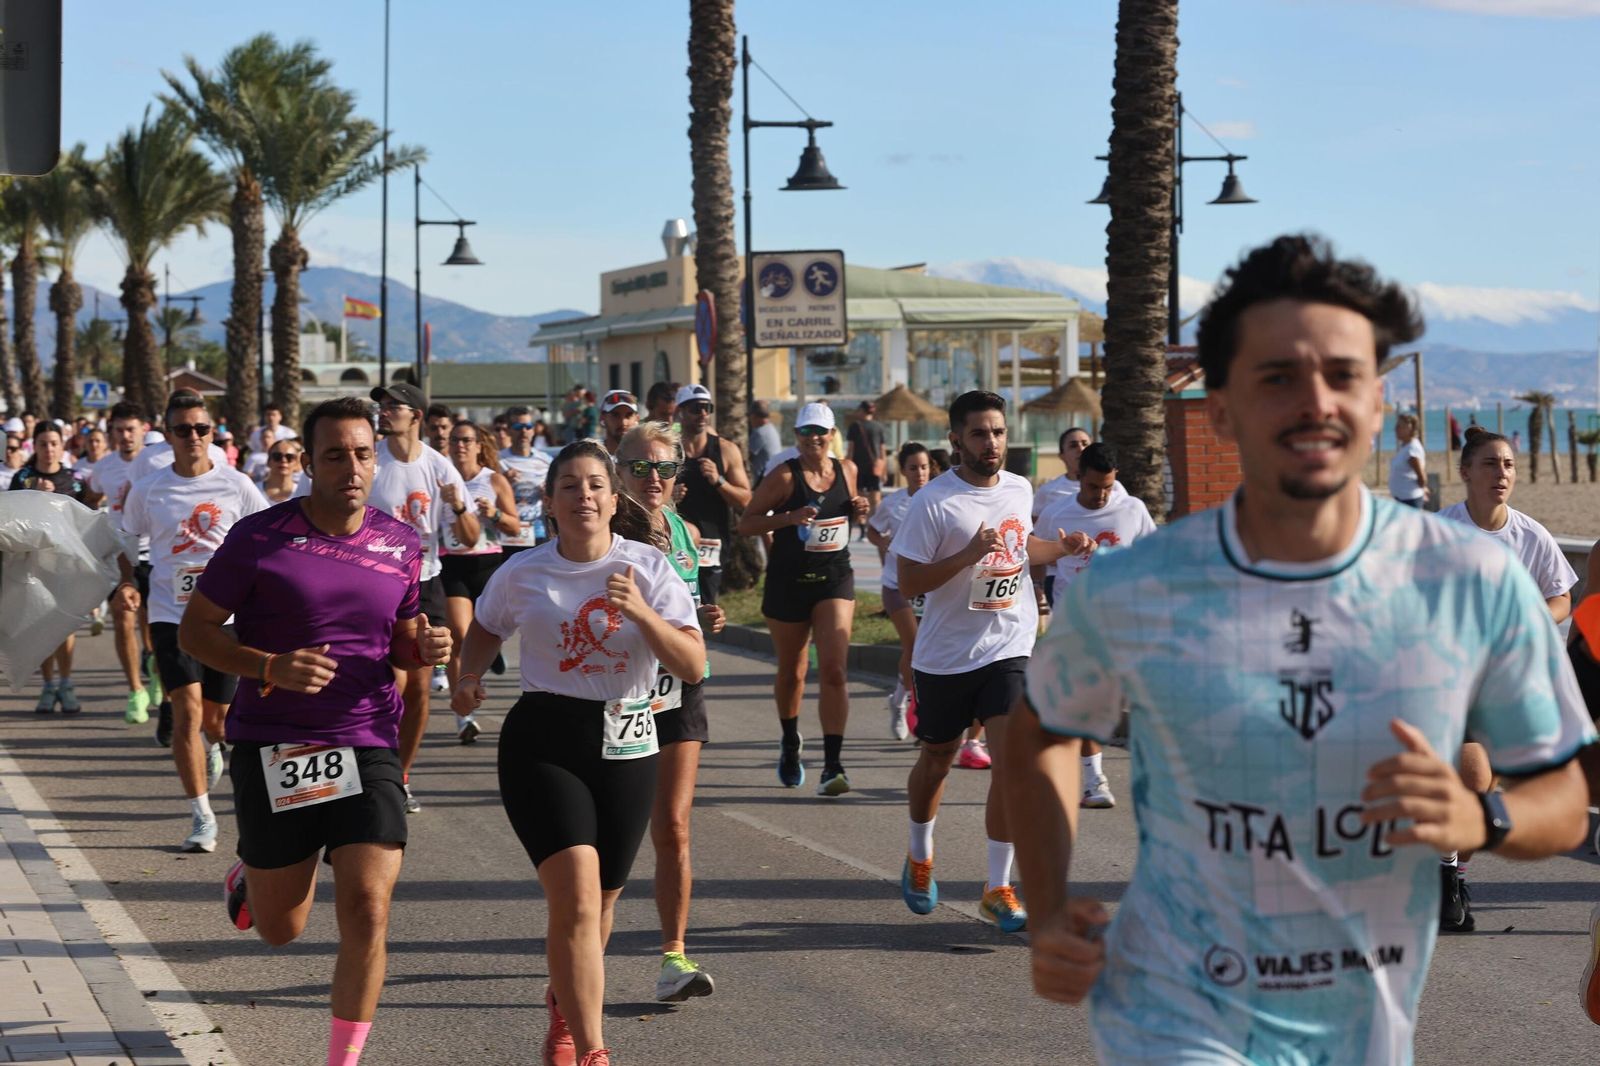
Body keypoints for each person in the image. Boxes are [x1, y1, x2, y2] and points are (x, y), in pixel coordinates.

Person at [1007, 234, 1594, 1064]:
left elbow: (1565, 794)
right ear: (1222, 408)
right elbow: (1040, 732)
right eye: (1278, 376)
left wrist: (1480, 816)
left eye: (1344, 376)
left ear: (1377, 407)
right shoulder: (1139, 587)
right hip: (1173, 1014)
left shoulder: (1472, 583)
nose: (1316, 402)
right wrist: (1049, 901)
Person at [180, 395, 451, 1066]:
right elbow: (196, 632)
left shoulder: (399, 542)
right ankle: (251, 875)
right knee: (280, 929)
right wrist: (268, 664)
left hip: (366, 737)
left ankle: (342, 1060)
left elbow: (401, 641)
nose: (352, 468)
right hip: (277, 743)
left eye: (364, 454)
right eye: (335, 456)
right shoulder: (260, 538)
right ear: (309, 462)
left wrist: (425, 648)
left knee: (367, 905)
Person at [451, 439, 703, 1066]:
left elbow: (693, 664)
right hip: (545, 738)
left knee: (603, 905)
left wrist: (643, 612)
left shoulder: (647, 566)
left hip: (628, 739)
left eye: (595, 484)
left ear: (614, 500)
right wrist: (467, 679)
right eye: (570, 486)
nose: (584, 496)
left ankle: (564, 1005)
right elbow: (484, 629)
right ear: (551, 502)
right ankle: (590, 1048)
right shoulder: (523, 571)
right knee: (578, 899)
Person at [891, 390, 1086, 933]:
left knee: (1013, 759)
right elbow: (909, 584)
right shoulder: (935, 501)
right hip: (946, 656)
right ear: (957, 440)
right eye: (979, 433)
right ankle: (919, 854)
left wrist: (1061, 547)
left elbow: (1023, 551)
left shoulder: (1020, 489)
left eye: (998, 432)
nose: (991, 442)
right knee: (936, 761)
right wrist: (966, 556)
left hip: (1009, 645)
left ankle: (997, 887)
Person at [1436, 424, 1578, 932]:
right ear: (1466, 472)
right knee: (1475, 779)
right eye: (1492, 463)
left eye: (1510, 464)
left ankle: (1452, 871)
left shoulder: (1530, 534)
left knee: (1488, 793)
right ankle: (1447, 879)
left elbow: (1563, 597)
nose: (1502, 473)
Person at [118, 393, 268, 852]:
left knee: (217, 722)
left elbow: (265, 537)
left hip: (227, 618)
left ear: (212, 433)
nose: (194, 437)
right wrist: (129, 583)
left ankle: (216, 748)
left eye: (201, 429)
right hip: (170, 615)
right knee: (186, 712)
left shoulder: (237, 485)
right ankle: (202, 815)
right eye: (183, 429)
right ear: (168, 435)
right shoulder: (149, 489)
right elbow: (126, 540)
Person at [614, 422, 728, 1004]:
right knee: (610, 837)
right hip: (616, 696)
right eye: (639, 467)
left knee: (674, 826)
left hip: (678, 690)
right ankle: (581, 943)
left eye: (664, 468)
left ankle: (673, 957)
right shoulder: (603, 532)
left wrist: (703, 621)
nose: (652, 479)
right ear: (617, 470)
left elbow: (686, 608)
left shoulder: (685, 531)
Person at [736, 402, 868, 796]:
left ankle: (833, 765)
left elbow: (851, 510)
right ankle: (791, 741)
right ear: (796, 436)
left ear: (831, 435)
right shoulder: (784, 476)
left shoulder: (847, 469)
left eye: (821, 432)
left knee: (834, 670)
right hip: (789, 581)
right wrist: (788, 519)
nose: (814, 438)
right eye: (806, 432)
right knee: (793, 670)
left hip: (834, 579)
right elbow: (746, 523)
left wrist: (859, 509)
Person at [366, 383, 477, 813]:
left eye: (394, 406)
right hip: (374, 581)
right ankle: (373, 763)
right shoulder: (370, 460)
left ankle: (399, 776)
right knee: (389, 683)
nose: (385, 411)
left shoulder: (438, 467)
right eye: (382, 406)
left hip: (425, 582)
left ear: (417, 416)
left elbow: (470, 539)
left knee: (418, 690)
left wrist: (461, 508)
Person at [1034, 442, 1157, 810]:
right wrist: (1039, 591)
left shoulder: (1132, 509)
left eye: (1107, 486)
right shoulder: (1057, 513)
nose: (1101, 495)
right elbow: (1036, 553)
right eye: (1092, 487)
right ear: (1078, 479)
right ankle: (1093, 779)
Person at [440, 421, 518, 742]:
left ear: (477, 445)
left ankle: (490, 649)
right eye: (455, 440)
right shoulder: (441, 480)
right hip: (452, 563)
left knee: (485, 630)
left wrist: (495, 515)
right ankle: (464, 715)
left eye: (466, 440)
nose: (460, 445)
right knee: (459, 635)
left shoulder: (493, 480)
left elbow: (515, 527)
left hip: (487, 562)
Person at [86, 403, 161, 728]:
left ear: (143, 429)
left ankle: (157, 666)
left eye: (131, 429)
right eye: (119, 430)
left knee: (154, 626)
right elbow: (89, 500)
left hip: (157, 555)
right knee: (123, 618)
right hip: (122, 555)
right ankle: (135, 690)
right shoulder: (104, 468)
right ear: (111, 431)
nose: (125, 436)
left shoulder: (161, 463)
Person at [9, 419, 91, 714]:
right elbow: (12, 524)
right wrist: (36, 496)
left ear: (62, 446)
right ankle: (47, 686)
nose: (48, 449)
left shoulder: (75, 480)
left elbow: (85, 523)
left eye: (54, 443)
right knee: (42, 626)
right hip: (32, 566)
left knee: (64, 626)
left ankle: (66, 683)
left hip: (66, 566)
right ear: (36, 446)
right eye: (43, 444)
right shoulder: (23, 478)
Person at [864, 441, 932, 741]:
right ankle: (914, 708)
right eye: (913, 468)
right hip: (897, 585)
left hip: (931, 588)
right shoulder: (894, 503)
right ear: (903, 471)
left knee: (924, 651)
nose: (920, 473)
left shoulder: (938, 499)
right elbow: (872, 529)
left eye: (925, 467)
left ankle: (899, 696)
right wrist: (885, 545)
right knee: (916, 648)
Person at [676, 383, 752, 607]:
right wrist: (670, 497)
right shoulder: (668, 450)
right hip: (676, 542)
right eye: (695, 408)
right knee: (676, 607)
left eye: (707, 408)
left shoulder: (726, 450)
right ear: (680, 411)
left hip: (713, 544)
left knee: (705, 609)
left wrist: (719, 481)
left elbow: (746, 502)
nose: (702, 413)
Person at [498, 405, 552, 555]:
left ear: (533, 430)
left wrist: (549, 493)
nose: (524, 431)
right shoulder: (497, 460)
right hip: (506, 534)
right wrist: (502, 482)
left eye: (528, 426)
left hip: (538, 532)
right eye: (518, 426)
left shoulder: (546, 461)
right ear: (508, 430)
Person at [845, 400, 887, 535]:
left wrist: (847, 468)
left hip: (858, 468)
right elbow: (882, 451)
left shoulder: (855, 426)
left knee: (859, 498)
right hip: (875, 468)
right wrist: (884, 470)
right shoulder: (879, 427)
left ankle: (863, 528)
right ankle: (875, 526)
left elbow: (850, 450)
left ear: (862, 411)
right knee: (876, 499)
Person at [1389, 412, 1427, 507]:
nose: (1396, 429)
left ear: (1409, 428)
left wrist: (1423, 490)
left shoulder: (1412, 449)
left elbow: (1422, 477)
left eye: (1399, 426)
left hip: (1410, 500)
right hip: (1402, 499)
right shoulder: (1405, 446)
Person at [748, 400, 782, 487]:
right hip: (773, 477)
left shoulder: (760, 432)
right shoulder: (771, 429)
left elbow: (747, 456)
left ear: (754, 416)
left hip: (763, 481)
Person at [262, 439, 304, 503]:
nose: (283, 460)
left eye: (289, 457)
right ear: (268, 461)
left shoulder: (303, 493)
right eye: (277, 456)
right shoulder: (254, 490)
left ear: (296, 463)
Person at [598, 390, 639, 456]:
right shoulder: (591, 456)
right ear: (603, 417)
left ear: (637, 418)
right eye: (615, 415)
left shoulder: (645, 455)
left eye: (628, 415)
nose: (623, 423)